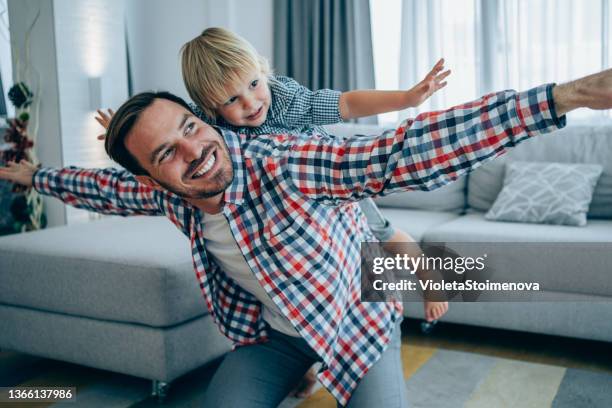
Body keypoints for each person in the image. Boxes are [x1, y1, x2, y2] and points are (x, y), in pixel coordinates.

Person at [1, 67, 611, 407]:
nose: (197, 151)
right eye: (167, 152)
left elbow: (406, 149)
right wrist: (38, 176)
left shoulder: (286, 161)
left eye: (191, 127)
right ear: (152, 175)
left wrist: (566, 97)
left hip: (357, 325)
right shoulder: (161, 193)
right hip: (276, 340)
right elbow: (100, 187)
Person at [179, 26, 449, 329]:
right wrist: (123, 140)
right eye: (231, 100)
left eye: (254, 84)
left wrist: (406, 99)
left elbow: (345, 103)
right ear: (210, 108)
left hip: (331, 187)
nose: (250, 103)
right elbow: (167, 137)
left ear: (262, 70)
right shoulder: (206, 125)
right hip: (286, 210)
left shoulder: (285, 100)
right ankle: (307, 360)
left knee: (381, 233)